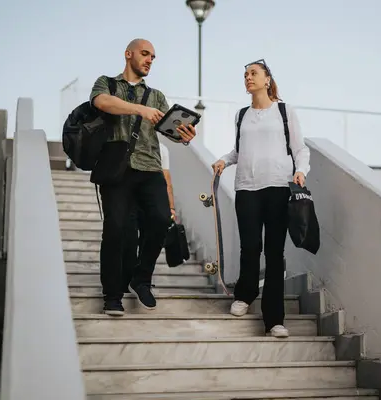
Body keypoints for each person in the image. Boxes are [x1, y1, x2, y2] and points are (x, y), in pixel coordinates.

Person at [89, 38, 196, 316]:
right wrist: (139, 109)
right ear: (128, 54)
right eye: (145, 54)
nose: (150, 60)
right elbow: (103, 103)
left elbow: (167, 130)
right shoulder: (107, 84)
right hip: (117, 170)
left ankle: (141, 277)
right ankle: (112, 295)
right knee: (115, 229)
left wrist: (184, 135)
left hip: (150, 168)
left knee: (162, 219)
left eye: (153, 57)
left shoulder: (157, 96)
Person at [212, 59, 310, 338]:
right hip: (247, 188)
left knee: (275, 253)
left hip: (278, 187)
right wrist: (223, 160)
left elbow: (300, 148)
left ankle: (274, 319)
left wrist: (301, 171)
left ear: (268, 79)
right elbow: (238, 151)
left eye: (253, 73)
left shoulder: (284, 110)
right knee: (250, 247)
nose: (248, 78)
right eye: (245, 74)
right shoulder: (241, 115)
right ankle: (244, 295)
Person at [122, 142, 175, 294]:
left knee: (144, 236)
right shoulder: (159, 147)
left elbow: (166, 180)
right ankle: (129, 278)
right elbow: (167, 180)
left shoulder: (161, 148)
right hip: (132, 197)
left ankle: (140, 279)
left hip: (148, 200)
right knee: (130, 236)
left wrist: (170, 207)